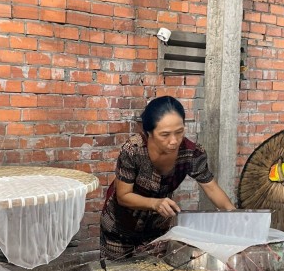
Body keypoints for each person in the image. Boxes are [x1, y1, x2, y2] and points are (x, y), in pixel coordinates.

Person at [99, 96, 236, 259]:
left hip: (157, 230)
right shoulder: (133, 150)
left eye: (179, 132)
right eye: (165, 135)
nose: (174, 141)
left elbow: (211, 188)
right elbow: (123, 196)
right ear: (149, 132)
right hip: (119, 227)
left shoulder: (191, 153)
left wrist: (234, 216)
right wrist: (155, 203)